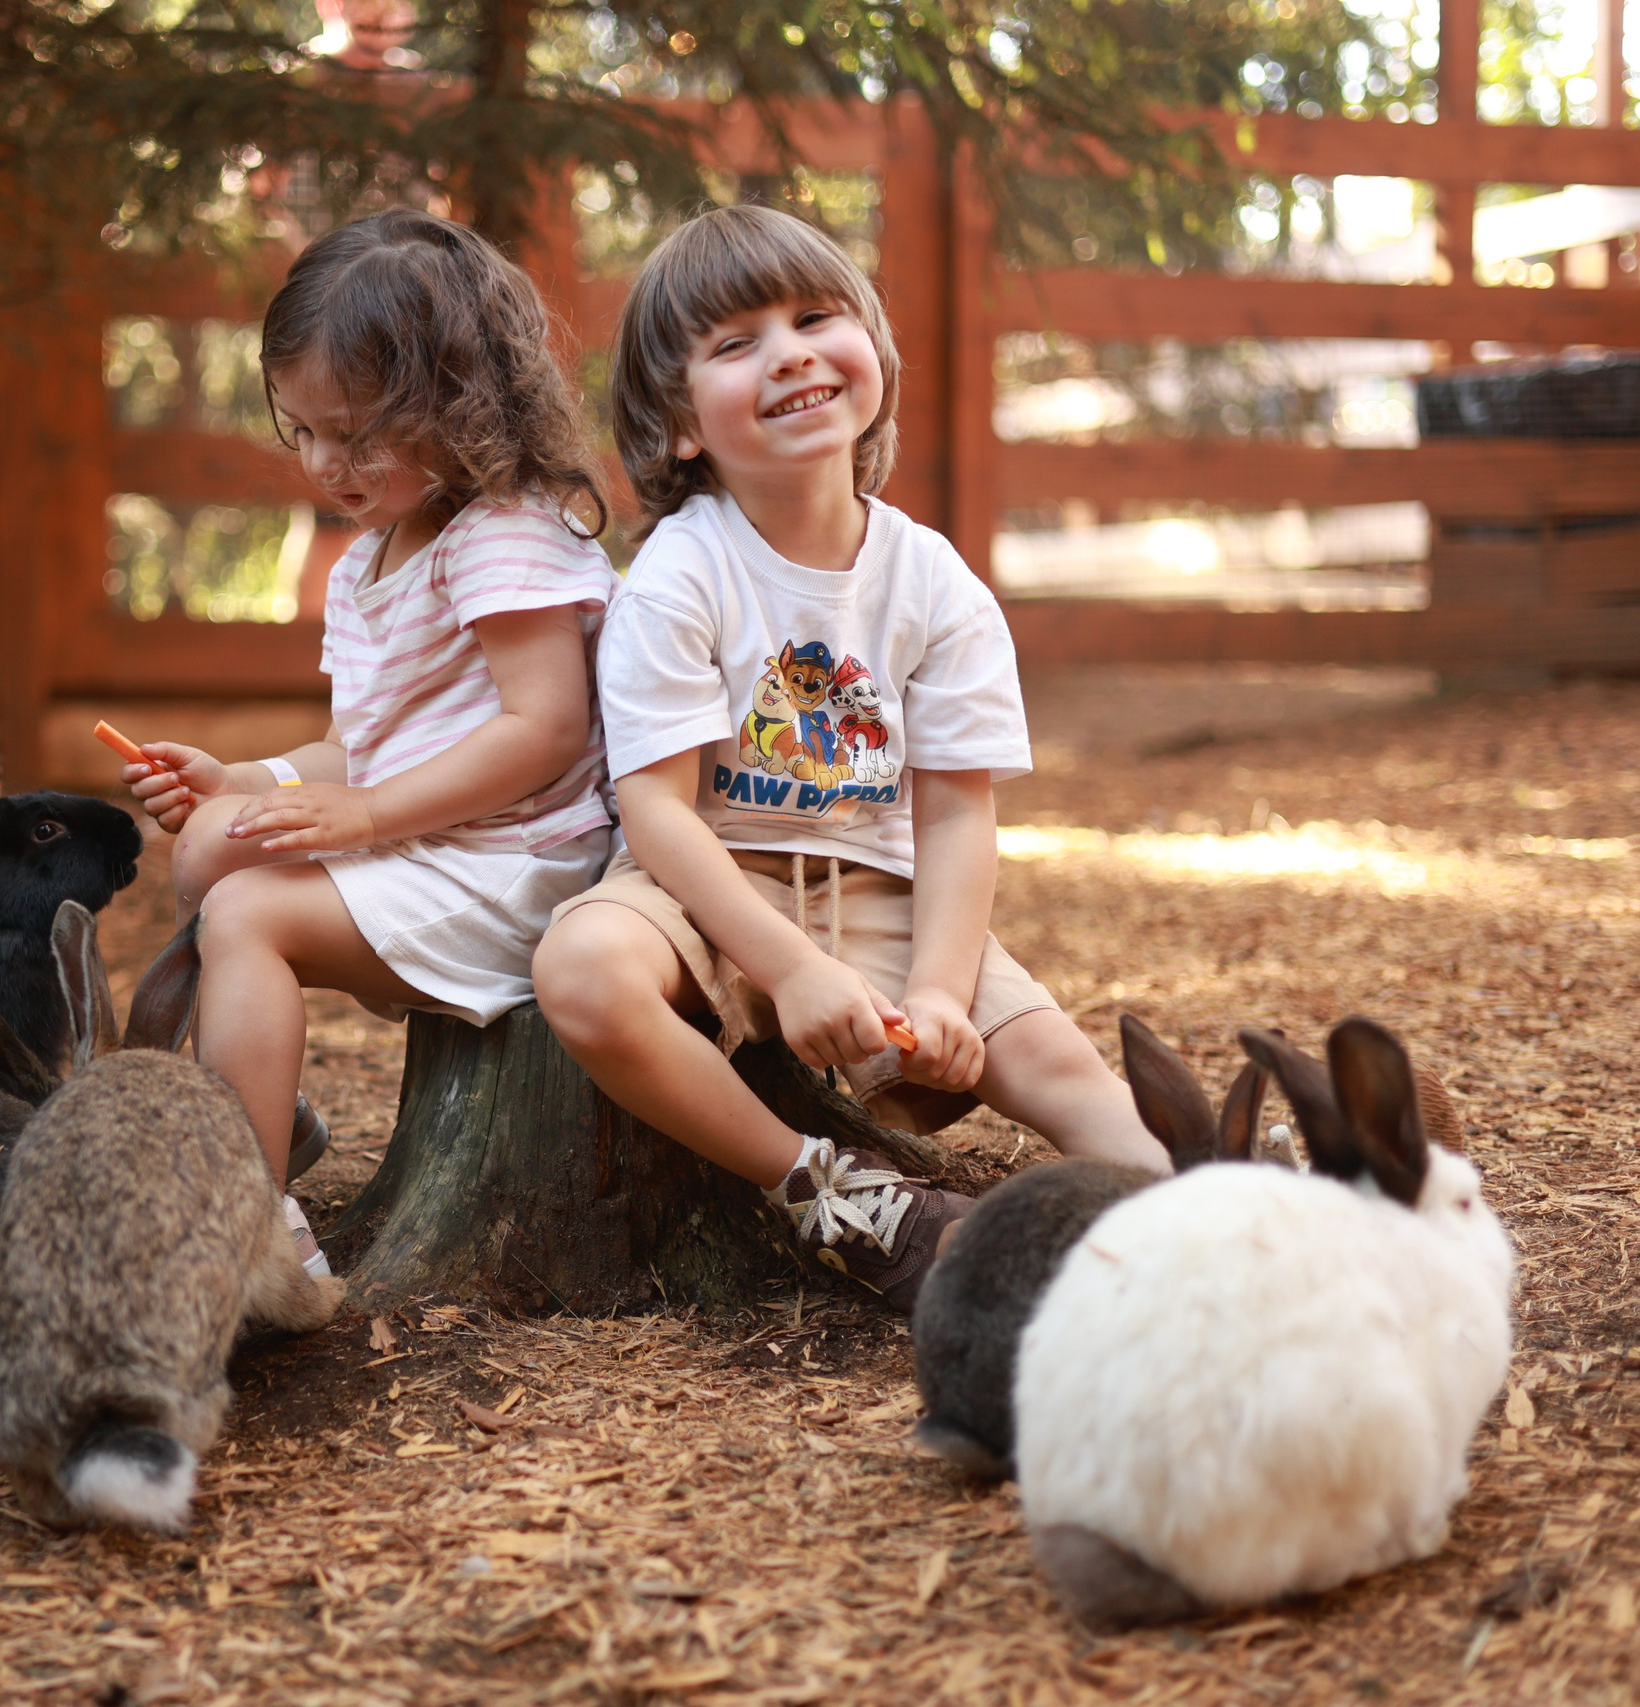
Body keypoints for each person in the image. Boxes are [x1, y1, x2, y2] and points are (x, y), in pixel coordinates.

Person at [531, 204, 1168, 1312]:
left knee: (1066, 1070)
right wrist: (788, 967)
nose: (790, 353)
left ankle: (1209, 1224)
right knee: (582, 972)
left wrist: (940, 990)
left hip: (878, 886)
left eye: (816, 317)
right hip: (707, 885)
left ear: (869, 347)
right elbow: (659, 813)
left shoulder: (933, 581)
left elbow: (957, 812)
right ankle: (835, 1195)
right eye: (736, 344)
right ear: (680, 425)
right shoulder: (680, 576)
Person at [119, 209, 620, 1277]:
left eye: (355, 435)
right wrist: (243, 777)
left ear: (460, 400)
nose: (323, 463)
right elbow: (362, 746)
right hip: (441, 846)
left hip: (523, 864)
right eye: (301, 430)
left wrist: (371, 816)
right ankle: (264, 1107)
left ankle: (248, 1229)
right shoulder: (367, 562)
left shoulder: (504, 535)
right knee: (212, 845)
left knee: (245, 912)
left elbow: (546, 729)